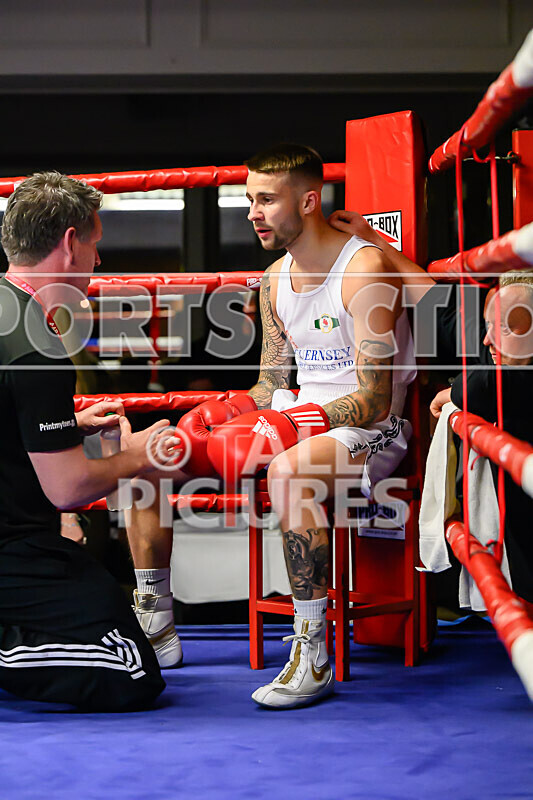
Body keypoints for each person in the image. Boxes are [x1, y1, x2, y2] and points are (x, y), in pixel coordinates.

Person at [0, 171, 179, 711]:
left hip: (18, 541)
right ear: (70, 242)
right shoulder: (37, 339)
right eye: (95, 244)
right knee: (130, 668)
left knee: (107, 604)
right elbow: (69, 489)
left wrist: (69, 426)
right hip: (13, 550)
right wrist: (142, 451)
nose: (97, 261)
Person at [329, 209, 533, 607]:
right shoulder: (497, 348)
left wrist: (454, 393)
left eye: (509, 327)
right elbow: (435, 299)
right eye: (491, 326)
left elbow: (484, 383)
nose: (490, 341)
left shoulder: (503, 372)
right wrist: (375, 242)